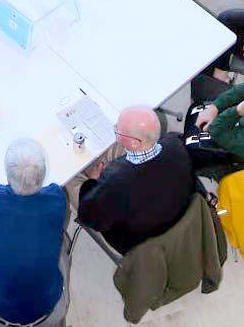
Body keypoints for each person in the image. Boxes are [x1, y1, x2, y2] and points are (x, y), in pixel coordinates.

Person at [77, 106, 194, 255]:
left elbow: (89, 217)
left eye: (117, 131)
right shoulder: (176, 144)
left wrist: (92, 182)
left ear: (134, 143)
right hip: (174, 218)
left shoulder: (116, 184)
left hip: (139, 245)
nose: (116, 133)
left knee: (72, 181)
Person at [0, 138, 68, 326]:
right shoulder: (57, 199)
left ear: (8, 176)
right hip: (46, 304)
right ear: (43, 176)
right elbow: (54, 188)